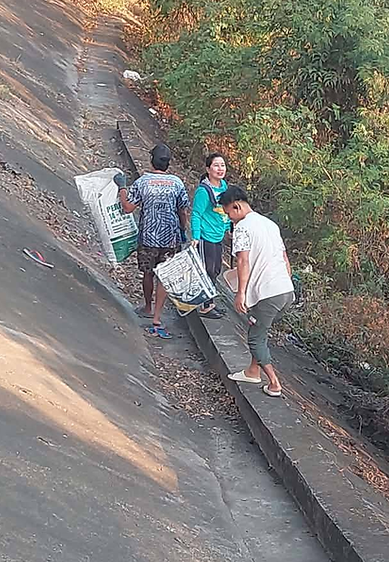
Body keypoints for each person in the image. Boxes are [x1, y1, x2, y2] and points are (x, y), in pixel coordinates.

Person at [221, 185, 294, 398]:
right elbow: (284, 259)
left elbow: (243, 260)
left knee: (255, 338)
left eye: (228, 214)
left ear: (236, 206)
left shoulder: (243, 227)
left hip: (267, 294)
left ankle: (274, 383)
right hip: (285, 291)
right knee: (260, 330)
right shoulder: (270, 224)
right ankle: (253, 371)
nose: (230, 219)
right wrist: (284, 282)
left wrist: (240, 293)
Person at [115, 143, 190, 339]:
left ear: (151, 160)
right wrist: (182, 229)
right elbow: (182, 210)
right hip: (170, 237)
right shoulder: (177, 183)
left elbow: (128, 207)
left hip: (148, 236)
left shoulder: (143, 182)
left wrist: (122, 187)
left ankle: (147, 306)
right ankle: (157, 317)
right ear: (168, 163)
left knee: (148, 273)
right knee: (163, 276)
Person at [190, 151, 230, 319]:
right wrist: (195, 236)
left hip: (218, 235)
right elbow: (196, 214)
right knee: (208, 270)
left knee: (216, 270)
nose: (220, 169)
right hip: (206, 236)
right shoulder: (204, 191)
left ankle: (210, 302)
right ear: (208, 169)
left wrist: (228, 228)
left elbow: (226, 210)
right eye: (216, 165)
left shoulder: (224, 186)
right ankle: (206, 305)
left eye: (222, 165)